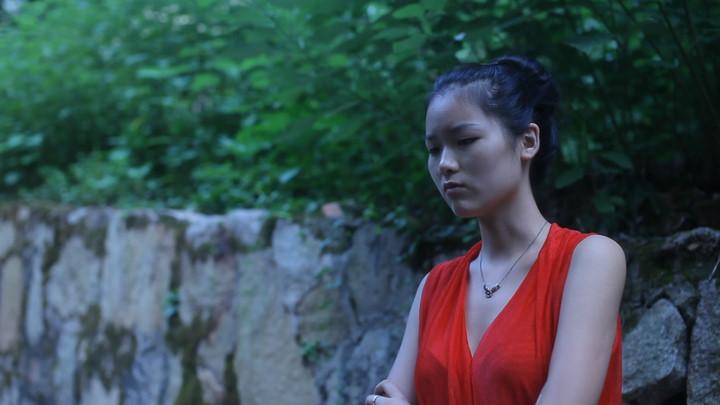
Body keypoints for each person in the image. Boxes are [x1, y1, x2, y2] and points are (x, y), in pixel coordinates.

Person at [365, 55, 626, 405]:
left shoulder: (590, 260)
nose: (445, 164)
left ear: (528, 141)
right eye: (433, 149)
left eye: (465, 140)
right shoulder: (434, 287)